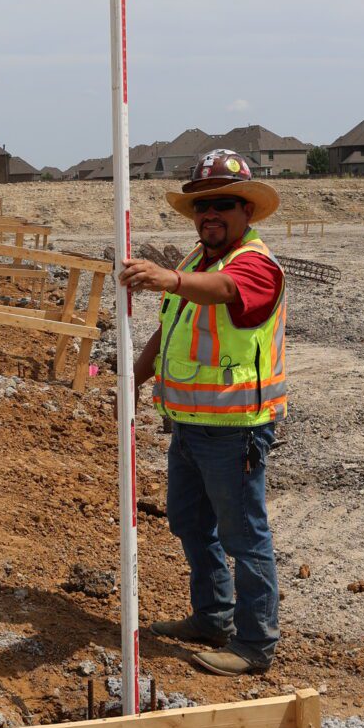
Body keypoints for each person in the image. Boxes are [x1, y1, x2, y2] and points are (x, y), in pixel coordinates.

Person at [119, 149, 287, 675]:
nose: (210, 214)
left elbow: (226, 293)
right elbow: (167, 331)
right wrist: (130, 381)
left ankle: (255, 644)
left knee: (244, 536)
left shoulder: (254, 265)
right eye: (202, 206)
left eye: (223, 204)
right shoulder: (195, 261)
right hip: (189, 425)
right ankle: (214, 618)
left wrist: (168, 279)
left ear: (247, 213)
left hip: (235, 429)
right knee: (191, 521)